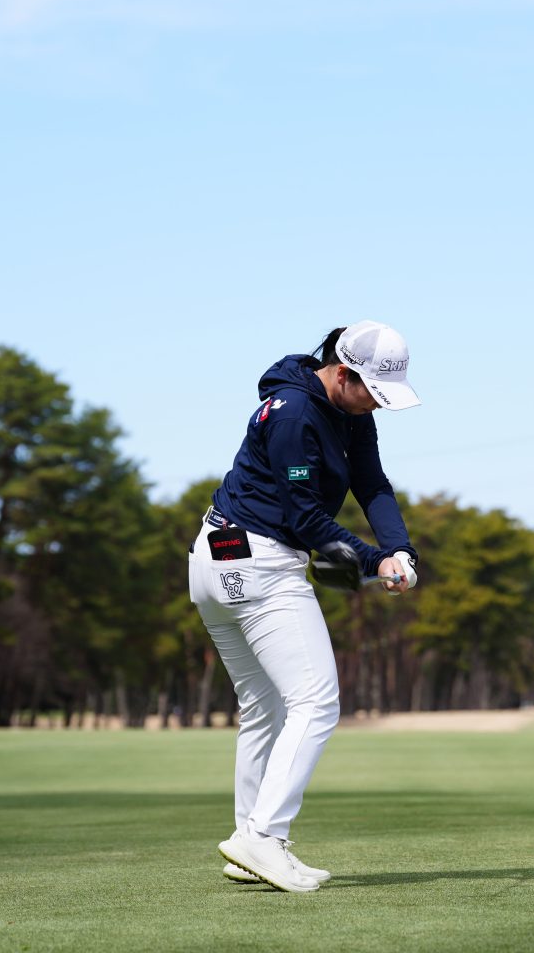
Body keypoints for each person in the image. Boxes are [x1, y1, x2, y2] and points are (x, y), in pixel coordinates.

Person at [188, 320, 420, 893]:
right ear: (342, 374)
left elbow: (372, 484)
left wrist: (400, 549)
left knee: (264, 709)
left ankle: (250, 843)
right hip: (257, 561)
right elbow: (305, 519)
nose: (376, 404)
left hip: (219, 558)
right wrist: (374, 562)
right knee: (315, 701)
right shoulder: (293, 414)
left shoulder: (349, 413)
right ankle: (263, 838)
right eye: (372, 392)